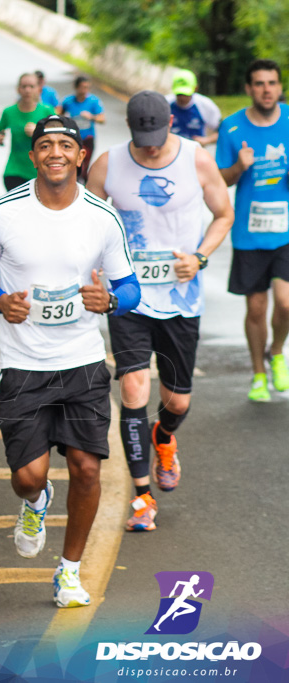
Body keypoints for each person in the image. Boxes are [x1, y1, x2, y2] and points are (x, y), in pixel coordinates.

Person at [0, 115, 141, 608]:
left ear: (81, 156)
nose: (56, 152)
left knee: (86, 468)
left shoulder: (102, 217)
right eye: (46, 145)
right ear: (33, 155)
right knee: (29, 476)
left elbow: (130, 287)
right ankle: (36, 504)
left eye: (66, 145)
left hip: (82, 362)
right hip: (22, 363)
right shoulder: (3, 213)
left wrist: (109, 302)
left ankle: (68, 572)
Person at [86, 91, 234, 532]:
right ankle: (142, 497)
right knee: (133, 390)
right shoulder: (108, 165)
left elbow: (222, 215)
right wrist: (93, 269)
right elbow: (86, 222)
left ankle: (164, 437)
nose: (150, 147)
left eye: (157, 135)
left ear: (172, 121)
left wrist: (201, 257)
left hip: (181, 299)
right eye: (141, 137)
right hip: (128, 295)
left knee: (177, 400)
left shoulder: (196, 159)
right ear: (128, 126)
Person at [216, 59, 289, 401]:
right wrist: (238, 168)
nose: (266, 89)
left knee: (286, 304)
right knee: (257, 309)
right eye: (259, 83)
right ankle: (258, 373)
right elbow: (220, 181)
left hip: (286, 232)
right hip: (249, 233)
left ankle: (277, 352)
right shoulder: (232, 128)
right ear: (248, 88)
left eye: (272, 83)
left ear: (279, 87)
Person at [0, 73, 56, 191]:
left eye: (31, 86)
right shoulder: (9, 112)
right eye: (24, 86)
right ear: (18, 89)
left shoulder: (47, 111)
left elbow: (59, 137)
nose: (27, 90)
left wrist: (39, 132)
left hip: (40, 171)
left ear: (39, 89)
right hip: (14, 170)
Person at [61, 76, 106, 183]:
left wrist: (91, 117)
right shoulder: (68, 101)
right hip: (72, 139)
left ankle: (82, 186)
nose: (84, 90)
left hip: (87, 139)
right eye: (82, 87)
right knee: (71, 164)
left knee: (84, 166)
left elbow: (102, 119)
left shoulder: (94, 101)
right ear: (76, 87)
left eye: (87, 88)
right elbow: (59, 114)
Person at [167, 69, 222, 146]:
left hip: (196, 152)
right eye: (179, 94)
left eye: (185, 94)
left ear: (195, 88)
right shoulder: (165, 104)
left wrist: (206, 140)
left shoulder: (206, 105)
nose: (182, 98)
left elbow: (222, 131)